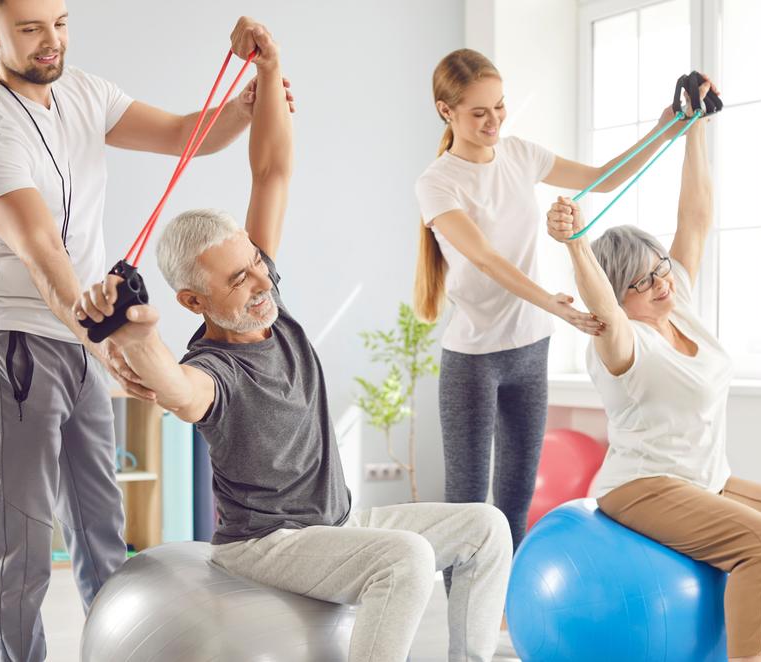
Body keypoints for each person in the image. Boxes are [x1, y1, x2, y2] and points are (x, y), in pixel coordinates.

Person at [76, 30, 511, 662]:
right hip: (267, 545)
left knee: (486, 526)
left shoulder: (263, 297)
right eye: (238, 279)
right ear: (193, 302)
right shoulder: (216, 368)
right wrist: (137, 336)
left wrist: (270, 65)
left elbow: (271, 171)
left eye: (257, 263)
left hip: (338, 524)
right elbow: (178, 391)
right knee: (407, 559)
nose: (260, 282)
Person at [0, 1, 289, 659]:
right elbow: (46, 258)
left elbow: (189, 134)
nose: (52, 41)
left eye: (60, 22)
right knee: (25, 539)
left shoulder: (86, 92)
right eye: (30, 29)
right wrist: (104, 342)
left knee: (102, 527)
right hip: (19, 341)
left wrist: (248, 103)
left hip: (87, 336)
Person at [546, 75, 761, 662]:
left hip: (704, 477)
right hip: (642, 486)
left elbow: (695, 218)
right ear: (618, 296)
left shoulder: (680, 301)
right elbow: (600, 303)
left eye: (660, 268)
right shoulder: (622, 343)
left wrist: (696, 127)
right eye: (642, 282)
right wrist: (575, 243)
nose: (661, 283)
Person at [413, 48, 695, 565]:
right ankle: (461, 618)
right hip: (472, 360)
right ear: (445, 111)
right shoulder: (437, 182)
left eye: (500, 106)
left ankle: (509, 609)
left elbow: (605, 177)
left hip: (529, 348)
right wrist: (552, 304)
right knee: (466, 504)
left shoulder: (519, 154)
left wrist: (666, 128)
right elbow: (485, 258)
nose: (495, 121)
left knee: (516, 499)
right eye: (479, 112)